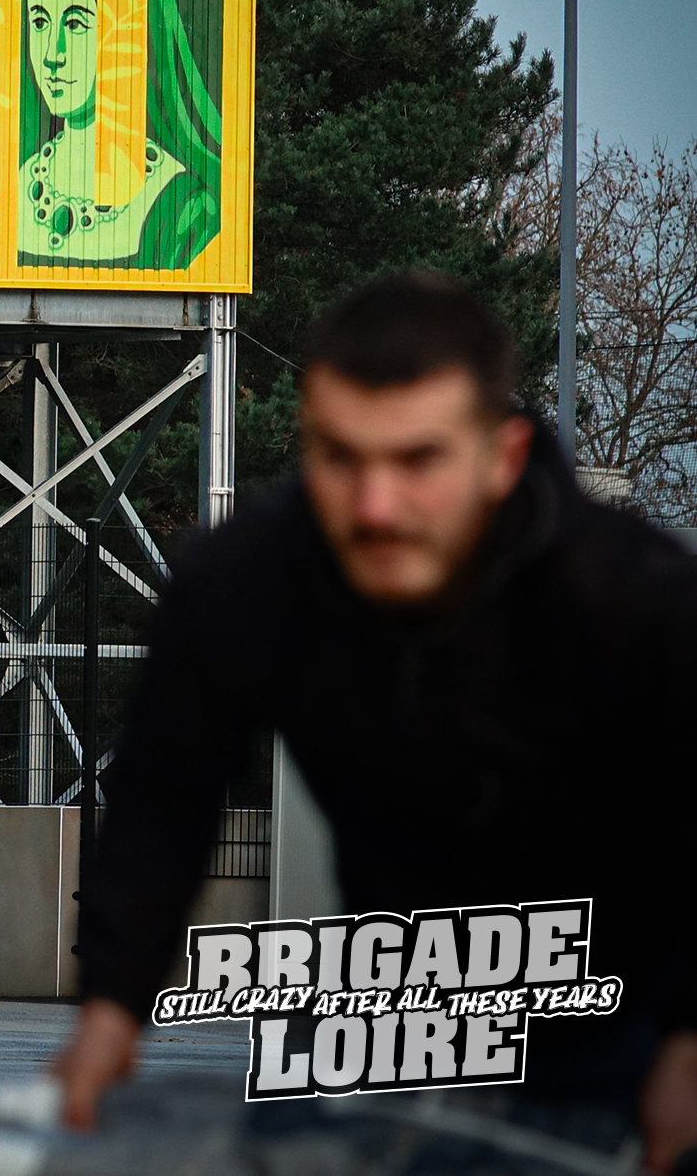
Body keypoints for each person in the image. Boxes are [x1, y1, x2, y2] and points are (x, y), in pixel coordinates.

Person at [54, 271, 697, 1169]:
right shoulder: (247, 578)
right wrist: (113, 1006)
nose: (374, 507)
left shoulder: (633, 595)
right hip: (396, 1011)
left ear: (502, 456)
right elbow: (164, 797)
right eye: (340, 456)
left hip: (626, 1014)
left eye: (417, 460)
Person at [16, 0, 220, 270]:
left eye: (76, 23)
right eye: (40, 21)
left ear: (129, 29)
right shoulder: (18, 186)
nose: (52, 53)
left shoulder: (185, 208)